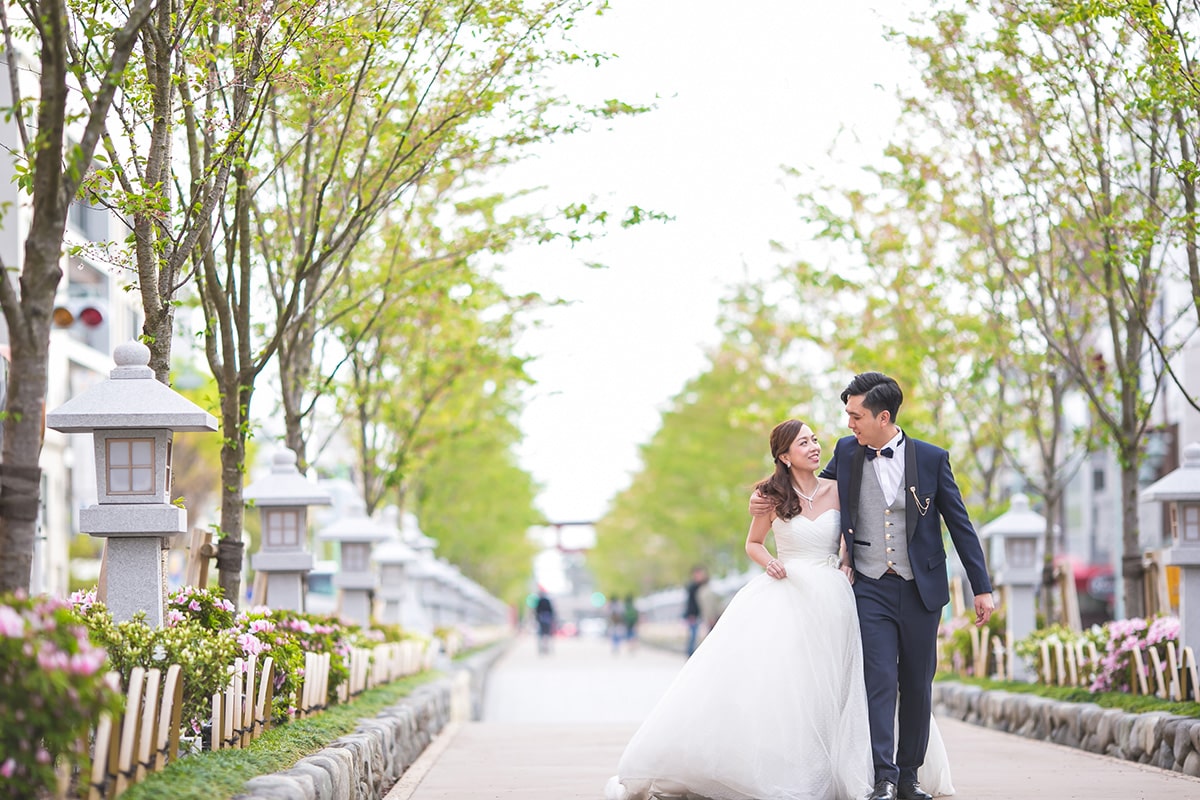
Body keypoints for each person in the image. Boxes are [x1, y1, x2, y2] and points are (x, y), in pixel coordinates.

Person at [605, 419, 953, 800]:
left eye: (815, 440)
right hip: (789, 593)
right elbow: (752, 542)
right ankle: (796, 769)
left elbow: (858, 529)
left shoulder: (840, 489)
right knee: (791, 686)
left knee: (845, 684)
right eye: (804, 443)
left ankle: (875, 771)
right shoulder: (769, 496)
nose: (815, 447)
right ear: (784, 456)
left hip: (836, 597)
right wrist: (768, 560)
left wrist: (850, 558)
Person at [752, 373, 993, 800]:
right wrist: (764, 494)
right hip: (869, 587)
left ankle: (908, 776)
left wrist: (981, 586)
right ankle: (882, 777)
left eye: (855, 415)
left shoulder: (933, 459)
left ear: (883, 416)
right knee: (878, 680)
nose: (848, 424)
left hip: (921, 588)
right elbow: (806, 487)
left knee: (917, 684)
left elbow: (960, 525)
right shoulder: (847, 452)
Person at [682, 565, 712, 657]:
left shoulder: (703, 585)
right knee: (693, 635)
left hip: (702, 614)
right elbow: (691, 604)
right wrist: (691, 615)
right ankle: (690, 654)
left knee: (701, 634)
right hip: (693, 615)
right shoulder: (692, 587)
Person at [534, 590, 555, 655]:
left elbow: (537, 611)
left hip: (541, 619)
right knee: (547, 634)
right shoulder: (548, 601)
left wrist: (537, 619)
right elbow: (551, 610)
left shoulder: (539, 601)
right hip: (547, 619)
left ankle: (542, 648)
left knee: (541, 634)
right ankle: (546, 647)